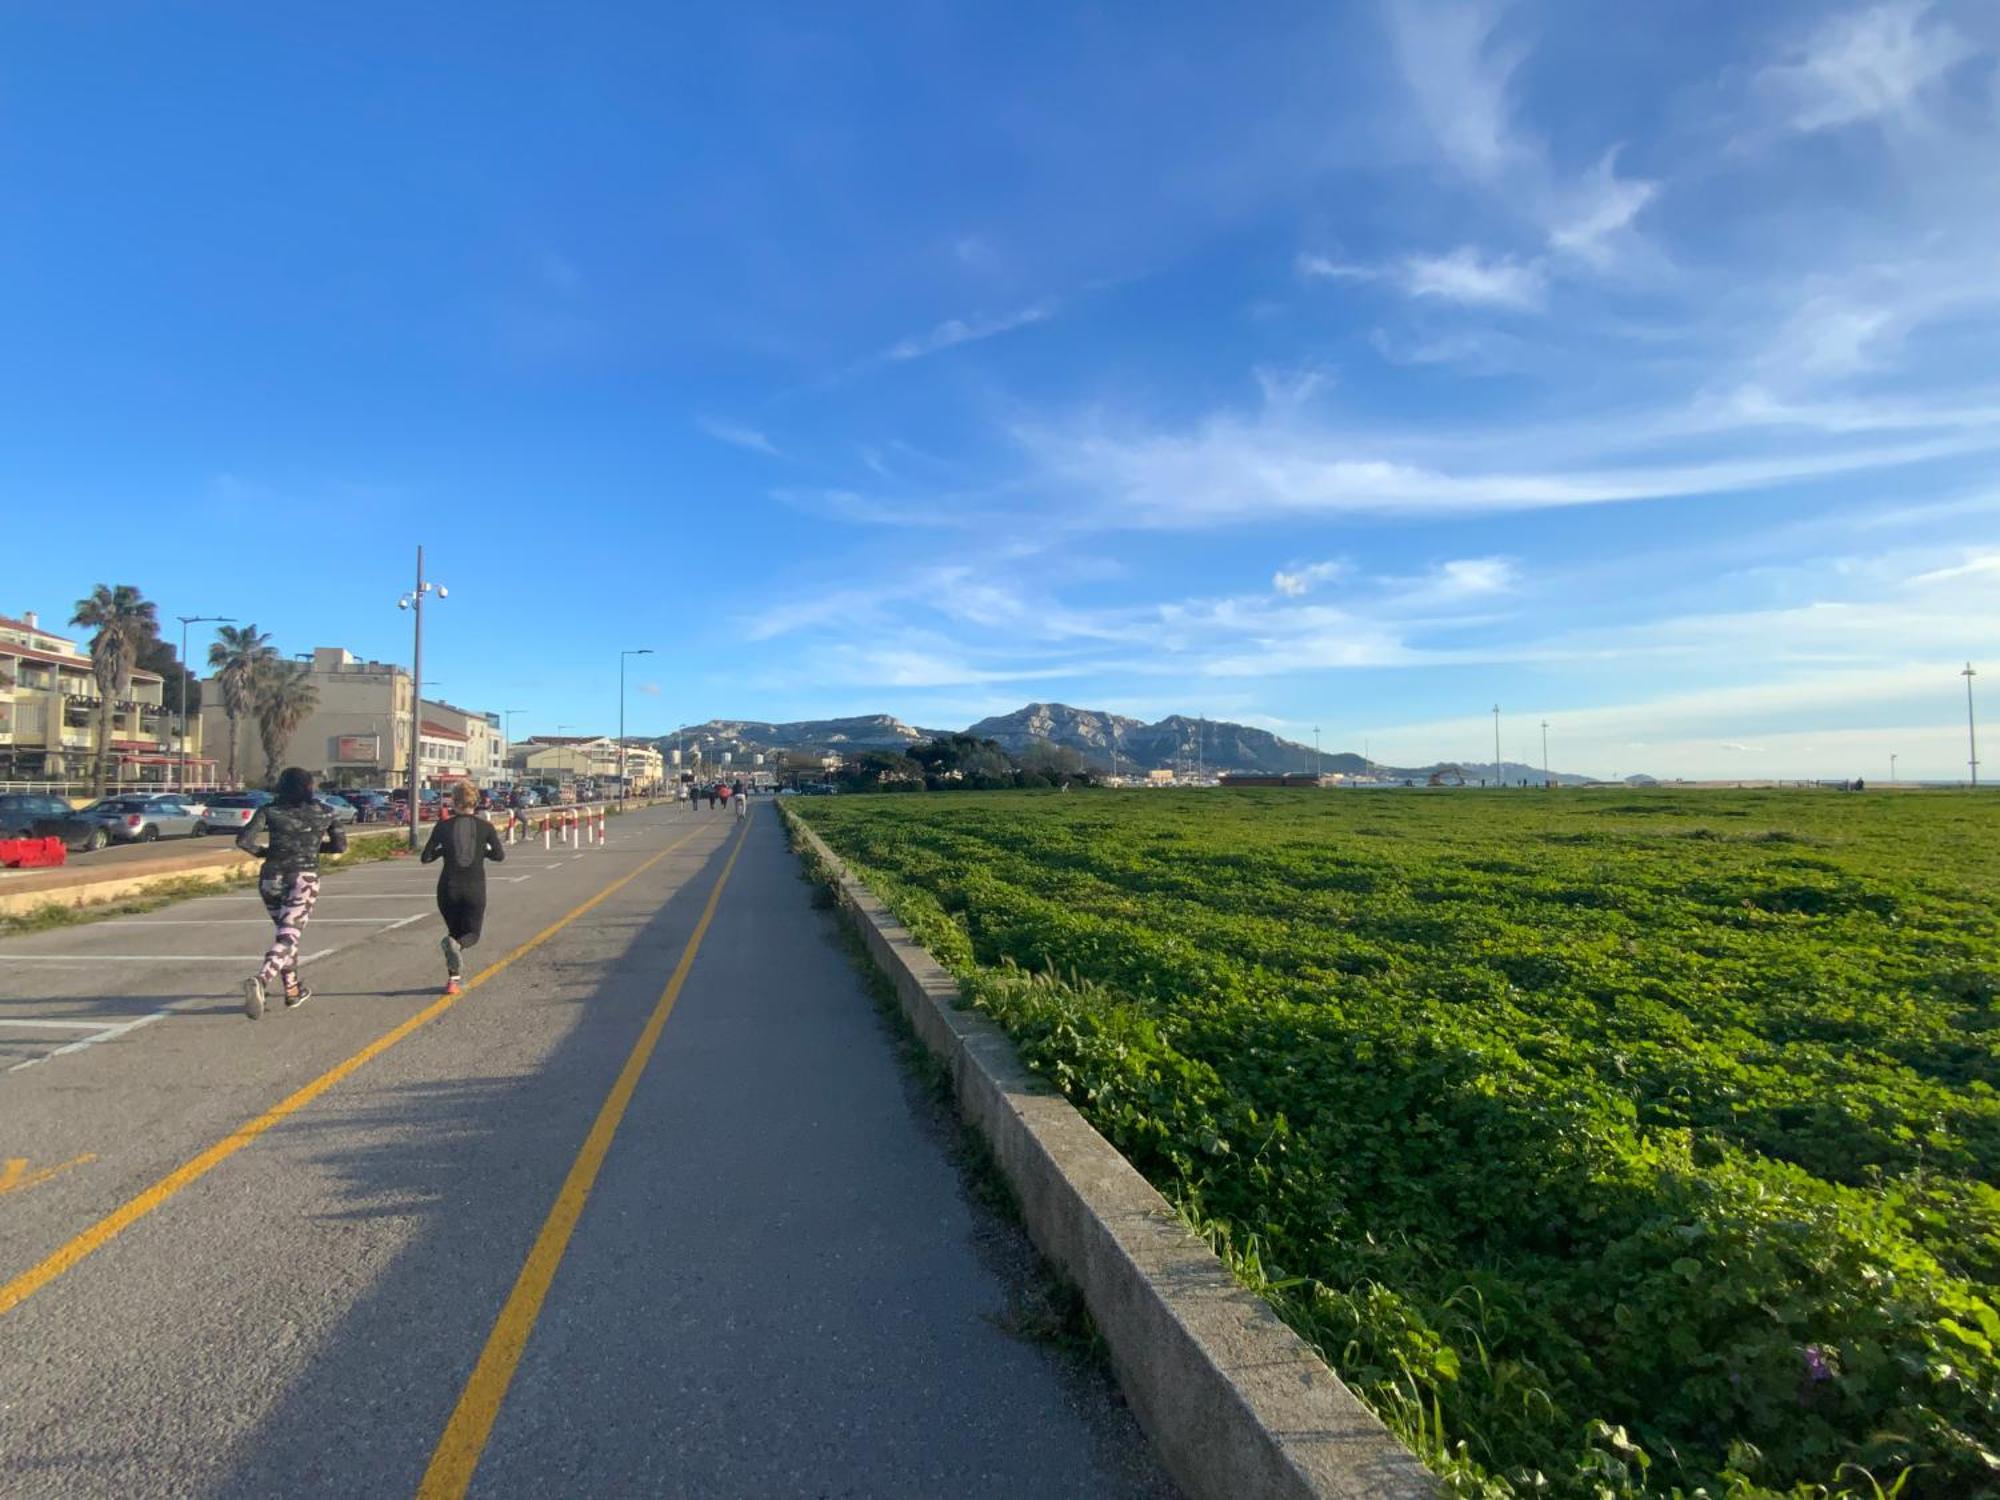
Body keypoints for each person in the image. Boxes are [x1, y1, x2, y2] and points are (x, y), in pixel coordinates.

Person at [238, 766, 346, 1019]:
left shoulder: (270, 810)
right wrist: (312, 847)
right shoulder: (325, 811)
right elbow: (340, 845)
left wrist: (266, 853)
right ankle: (261, 979)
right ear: (309, 786)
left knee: (286, 934)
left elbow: (244, 841)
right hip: (303, 876)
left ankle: (293, 990)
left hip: (271, 877)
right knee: (289, 936)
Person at [422, 780, 506, 996]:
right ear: (475, 802)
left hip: (448, 887)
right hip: (474, 887)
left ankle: (453, 981)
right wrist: (481, 852)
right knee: (470, 934)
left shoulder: (442, 826)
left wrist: (443, 851)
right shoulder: (485, 827)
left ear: (454, 802)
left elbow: (426, 857)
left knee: (454, 933)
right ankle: (454, 966)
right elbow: (499, 855)